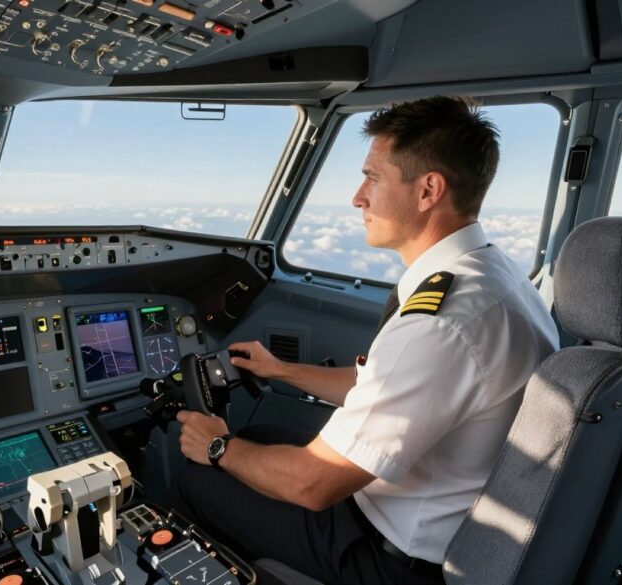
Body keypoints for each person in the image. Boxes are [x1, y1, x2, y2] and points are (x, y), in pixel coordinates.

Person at [170, 96, 560, 585]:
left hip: (394, 559)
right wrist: (282, 371)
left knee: (197, 480)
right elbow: (383, 383)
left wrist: (215, 448)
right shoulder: (494, 276)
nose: (358, 196)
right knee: (259, 441)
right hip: (433, 515)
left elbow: (314, 485)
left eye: (373, 178)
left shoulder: (441, 324)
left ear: (428, 191)